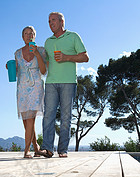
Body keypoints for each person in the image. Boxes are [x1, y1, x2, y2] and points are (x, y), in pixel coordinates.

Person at [38, 12, 89, 158]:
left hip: (68, 82)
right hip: (51, 82)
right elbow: (45, 63)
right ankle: (47, 148)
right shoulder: (48, 41)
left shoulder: (73, 36)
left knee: (66, 117)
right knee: (48, 116)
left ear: (62, 22)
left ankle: (62, 150)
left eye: (53, 20)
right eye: (48, 21)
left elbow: (85, 57)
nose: (50, 23)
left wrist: (67, 57)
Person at [9, 26, 47, 158]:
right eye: (26, 33)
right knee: (26, 120)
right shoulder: (17, 53)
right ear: (22, 36)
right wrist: (10, 67)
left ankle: (26, 150)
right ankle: (36, 148)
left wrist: (36, 53)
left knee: (31, 118)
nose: (29, 35)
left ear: (35, 36)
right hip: (22, 88)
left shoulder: (41, 50)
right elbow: (17, 70)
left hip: (36, 86)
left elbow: (43, 71)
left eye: (31, 33)